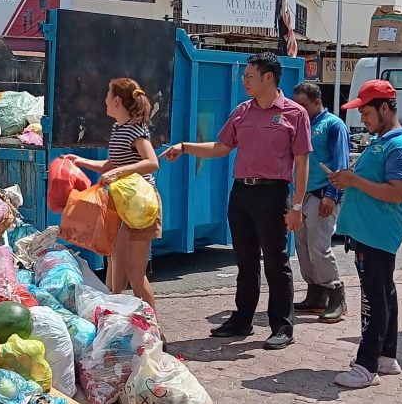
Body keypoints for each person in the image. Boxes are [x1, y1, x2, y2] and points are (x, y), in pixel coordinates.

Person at [163, 52, 311, 350]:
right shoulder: (242, 111)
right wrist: (185, 147)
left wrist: (296, 207)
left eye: (249, 76)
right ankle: (242, 320)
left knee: (276, 261)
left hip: (273, 194)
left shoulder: (295, 114)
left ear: (268, 77)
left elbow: (302, 162)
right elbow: (221, 147)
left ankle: (282, 326)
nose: (244, 80)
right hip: (242, 192)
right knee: (244, 261)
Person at [327, 80, 402, 388]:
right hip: (370, 232)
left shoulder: (398, 146)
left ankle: (366, 366)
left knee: (372, 300)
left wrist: (352, 180)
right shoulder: (384, 141)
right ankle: (386, 356)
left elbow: (396, 192)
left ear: (384, 108)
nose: (362, 119)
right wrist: (348, 180)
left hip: (377, 233)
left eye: (366, 112)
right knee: (384, 294)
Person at [67, 78, 161, 312]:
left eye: (107, 96)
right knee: (115, 260)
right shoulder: (119, 128)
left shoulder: (137, 129)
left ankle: (157, 331)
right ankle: (116, 316)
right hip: (122, 203)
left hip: (141, 207)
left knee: (135, 275)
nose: (104, 101)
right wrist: (81, 161)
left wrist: (119, 171)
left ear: (117, 100)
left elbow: (152, 162)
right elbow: (113, 164)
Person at [291, 82, 350, 323]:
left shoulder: (333, 125)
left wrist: (331, 195)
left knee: (319, 246)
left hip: (321, 195)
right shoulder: (301, 124)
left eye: (304, 105)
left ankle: (336, 294)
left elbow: (340, 162)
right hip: (301, 195)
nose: (300, 109)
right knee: (303, 246)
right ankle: (315, 294)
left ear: (318, 102)